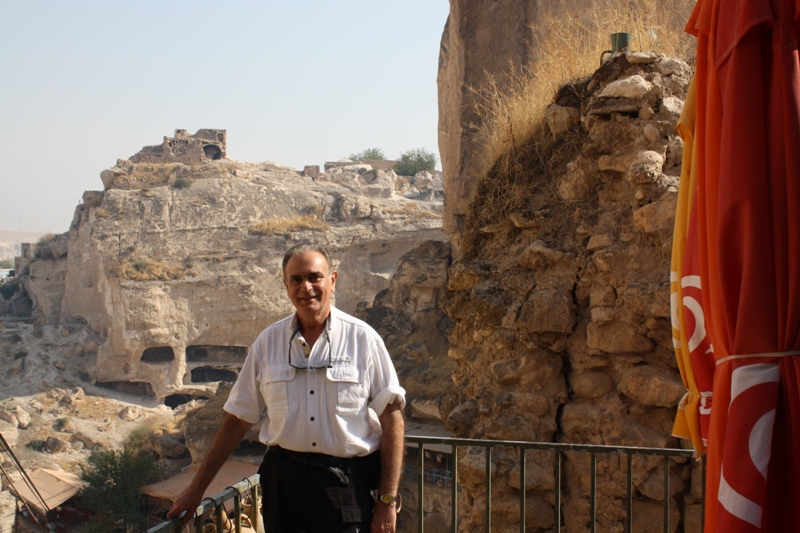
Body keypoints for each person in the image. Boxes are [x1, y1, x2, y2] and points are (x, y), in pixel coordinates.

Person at [167, 244, 406, 533]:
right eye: (296, 279)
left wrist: (387, 501)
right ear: (286, 286)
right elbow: (238, 418)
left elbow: (392, 418)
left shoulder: (364, 340)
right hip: (284, 487)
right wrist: (196, 489)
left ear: (333, 280)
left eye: (314, 277)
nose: (306, 287)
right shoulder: (267, 344)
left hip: (346, 487)